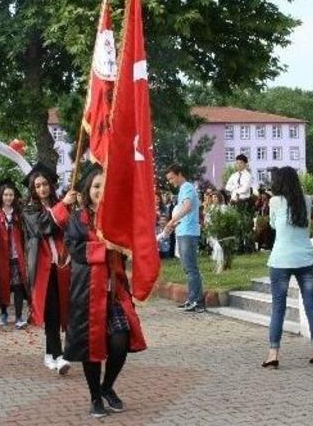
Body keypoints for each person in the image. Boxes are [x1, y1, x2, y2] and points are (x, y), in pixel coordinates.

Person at [63, 166, 146, 418]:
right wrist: (104, 247)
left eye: (104, 186)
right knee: (91, 347)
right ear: (88, 190)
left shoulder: (116, 218)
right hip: (88, 292)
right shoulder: (78, 219)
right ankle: (95, 397)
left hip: (114, 292)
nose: (100, 190)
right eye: (96, 186)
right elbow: (74, 249)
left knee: (120, 341)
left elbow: (128, 247)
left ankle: (107, 387)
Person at [261, 167, 313, 370]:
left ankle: (273, 355)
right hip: (305, 258)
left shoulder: (275, 201)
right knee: (311, 304)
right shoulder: (307, 200)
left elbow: (273, 225)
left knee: (278, 307)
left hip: (281, 260)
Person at [22, 163, 78, 375]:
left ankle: (50, 355)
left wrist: (70, 205)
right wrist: (64, 205)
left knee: (62, 310)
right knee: (51, 310)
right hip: (43, 268)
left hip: (63, 264)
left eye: (45, 184)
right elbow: (42, 227)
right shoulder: (29, 210)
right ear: (33, 189)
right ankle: (59, 355)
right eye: (37, 186)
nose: (42, 189)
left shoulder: (60, 203)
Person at [163, 164, 204, 313]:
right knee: (188, 268)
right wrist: (174, 224)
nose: (170, 181)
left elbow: (187, 207)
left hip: (188, 232)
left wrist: (172, 221)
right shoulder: (182, 189)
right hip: (183, 231)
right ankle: (192, 299)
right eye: (169, 179)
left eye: (172, 178)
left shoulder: (187, 187)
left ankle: (197, 301)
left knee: (191, 268)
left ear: (179, 174)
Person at [0, 182, 29, 329]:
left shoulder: (19, 213)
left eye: (11, 195)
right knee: (3, 285)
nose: (8, 197)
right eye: (6, 195)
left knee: (18, 287)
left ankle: (18, 317)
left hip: (17, 256)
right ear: (1, 196)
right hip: (1, 256)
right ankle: (4, 313)